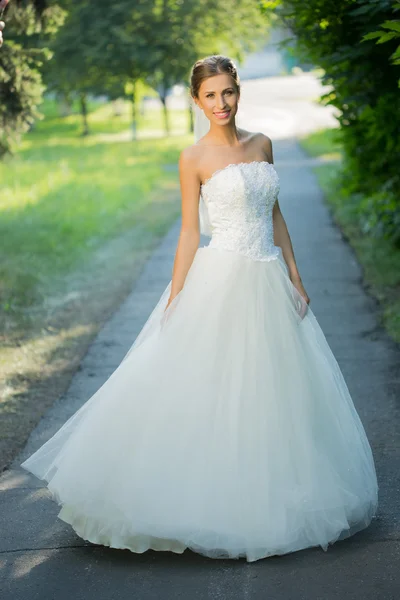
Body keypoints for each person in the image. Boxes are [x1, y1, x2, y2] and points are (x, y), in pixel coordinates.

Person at [21, 55, 378, 563]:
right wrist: (177, 293)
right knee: (210, 387)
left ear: (239, 91)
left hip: (268, 276)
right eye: (210, 95)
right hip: (222, 275)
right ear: (196, 100)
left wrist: (296, 275)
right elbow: (191, 230)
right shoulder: (194, 158)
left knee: (276, 389)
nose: (221, 103)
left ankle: (273, 491)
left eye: (228, 92)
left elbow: (275, 214)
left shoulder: (262, 145)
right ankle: (201, 498)